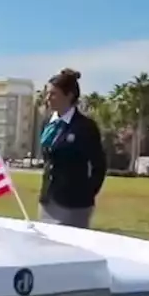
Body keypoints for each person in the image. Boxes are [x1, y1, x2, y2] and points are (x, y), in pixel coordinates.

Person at [38, 68, 106, 228]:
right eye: (47, 93)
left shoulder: (85, 127)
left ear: (69, 96)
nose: (48, 98)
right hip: (48, 201)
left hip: (75, 206)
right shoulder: (48, 123)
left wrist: (86, 194)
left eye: (53, 94)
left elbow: (99, 166)